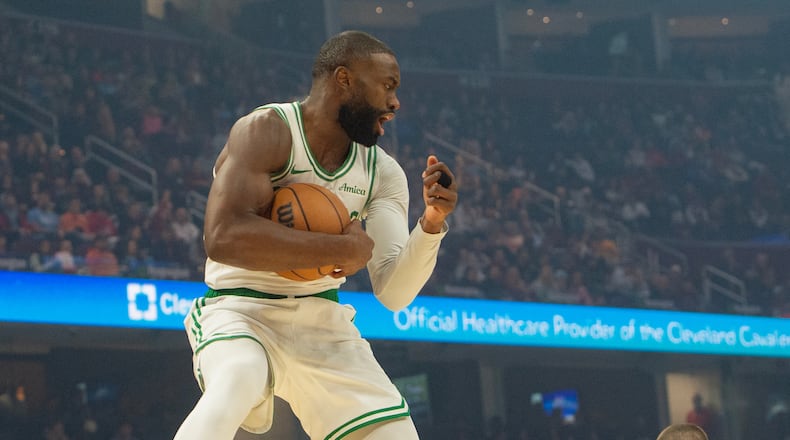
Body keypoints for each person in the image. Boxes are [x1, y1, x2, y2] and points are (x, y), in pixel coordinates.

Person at [173, 30, 457, 440]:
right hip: (240, 309)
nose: (395, 103)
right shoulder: (267, 130)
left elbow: (394, 293)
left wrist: (431, 224)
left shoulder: (384, 173)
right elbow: (223, 237)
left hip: (322, 320)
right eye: (387, 86)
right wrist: (339, 247)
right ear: (344, 79)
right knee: (238, 378)